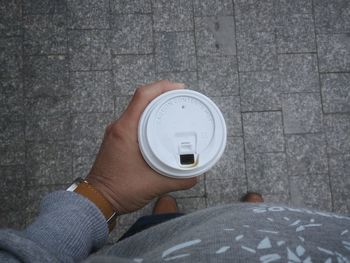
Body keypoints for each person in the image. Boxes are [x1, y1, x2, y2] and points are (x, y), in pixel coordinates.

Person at [0, 80, 349, 262]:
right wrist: (102, 193)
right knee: (261, 218)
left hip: (159, 248)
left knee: (160, 227)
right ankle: (252, 213)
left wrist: (104, 193)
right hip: (293, 236)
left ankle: (168, 213)